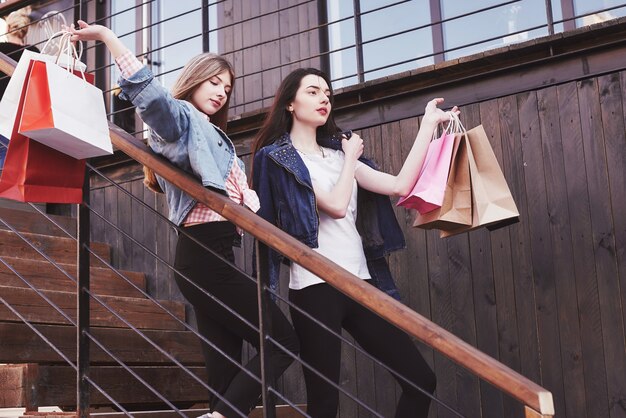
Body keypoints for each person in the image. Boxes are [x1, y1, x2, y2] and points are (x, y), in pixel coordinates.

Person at [68, 21, 299, 418]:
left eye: (227, 88)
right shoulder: (183, 119)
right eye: (214, 82)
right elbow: (153, 100)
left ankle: (221, 411)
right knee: (282, 342)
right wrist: (108, 38)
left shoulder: (210, 130)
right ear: (194, 80)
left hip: (214, 255)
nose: (221, 92)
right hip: (203, 253)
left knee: (224, 373)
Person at [251, 68, 459, 417]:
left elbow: (400, 186)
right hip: (315, 286)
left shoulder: (337, 153)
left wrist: (428, 125)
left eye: (328, 94)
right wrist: (350, 159)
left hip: (361, 282)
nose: (324, 99)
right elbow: (333, 205)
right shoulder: (279, 158)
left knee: (421, 380)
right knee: (324, 403)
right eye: (314, 91)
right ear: (290, 103)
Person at [0, 6, 40, 168]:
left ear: (8, 28)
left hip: (2, 113)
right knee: (18, 159)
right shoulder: (34, 52)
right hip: (25, 117)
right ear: (26, 31)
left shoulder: (1, 50)